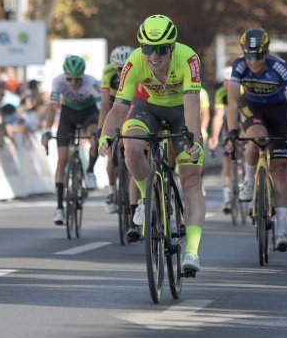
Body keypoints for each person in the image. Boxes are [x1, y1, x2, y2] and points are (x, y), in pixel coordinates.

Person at [97, 15, 205, 273]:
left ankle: (191, 252)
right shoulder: (135, 61)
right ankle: (148, 198)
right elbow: (118, 107)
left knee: (190, 179)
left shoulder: (188, 59)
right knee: (131, 146)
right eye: (148, 49)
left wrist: (194, 140)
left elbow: (192, 105)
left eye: (160, 49)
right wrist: (106, 135)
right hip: (147, 108)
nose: (153, 56)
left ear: (172, 47)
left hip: (180, 112)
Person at [225, 27, 287, 252]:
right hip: (253, 108)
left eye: (258, 56)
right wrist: (232, 132)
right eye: (249, 56)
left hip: (279, 111)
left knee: (279, 169)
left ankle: (281, 230)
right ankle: (249, 180)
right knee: (257, 139)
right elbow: (232, 103)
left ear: (267, 53)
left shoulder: (280, 67)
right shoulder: (239, 66)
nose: (253, 61)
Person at [41, 55, 101, 226]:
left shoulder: (91, 83)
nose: (73, 83)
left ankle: (89, 171)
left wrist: (102, 129)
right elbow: (52, 108)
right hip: (69, 114)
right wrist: (46, 131)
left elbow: (101, 107)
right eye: (70, 79)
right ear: (65, 76)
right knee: (63, 158)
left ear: (83, 75)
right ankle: (59, 208)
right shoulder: (58, 81)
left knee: (94, 135)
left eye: (77, 79)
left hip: (89, 112)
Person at [99, 45, 134, 215]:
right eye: (119, 69)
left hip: (133, 103)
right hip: (115, 102)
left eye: (125, 67)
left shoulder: (137, 68)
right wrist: (102, 131)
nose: (122, 72)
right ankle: (112, 190)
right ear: (114, 67)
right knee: (112, 157)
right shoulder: (107, 73)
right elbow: (105, 104)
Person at [208, 66, 233, 213]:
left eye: (230, 82)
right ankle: (227, 198)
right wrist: (215, 138)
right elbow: (218, 116)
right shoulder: (221, 92)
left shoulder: (243, 90)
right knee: (227, 160)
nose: (227, 86)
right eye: (225, 82)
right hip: (228, 124)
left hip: (243, 118)